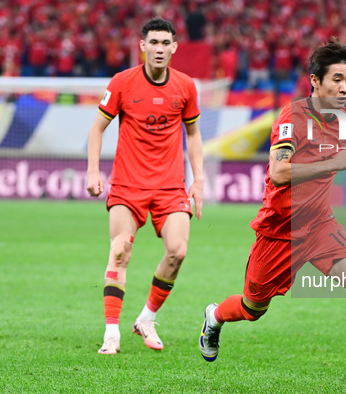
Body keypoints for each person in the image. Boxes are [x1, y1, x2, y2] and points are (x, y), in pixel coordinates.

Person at [199, 38, 346, 393]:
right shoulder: (292, 117)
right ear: (315, 81)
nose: (344, 87)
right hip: (279, 232)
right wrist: (330, 163)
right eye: (337, 79)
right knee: (252, 307)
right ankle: (214, 317)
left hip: (320, 225)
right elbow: (278, 172)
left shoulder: (345, 117)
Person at [86, 17, 204, 355]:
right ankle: (112, 333)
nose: (160, 49)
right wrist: (94, 171)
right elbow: (97, 129)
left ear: (174, 48)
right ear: (142, 46)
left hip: (170, 186)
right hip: (128, 183)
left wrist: (199, 178)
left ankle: (146, 319)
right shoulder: (123, 82)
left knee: (178, 251)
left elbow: (193, 135)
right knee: (120, 250)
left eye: (166, 43)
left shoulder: (185, 86)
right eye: (154, 42)